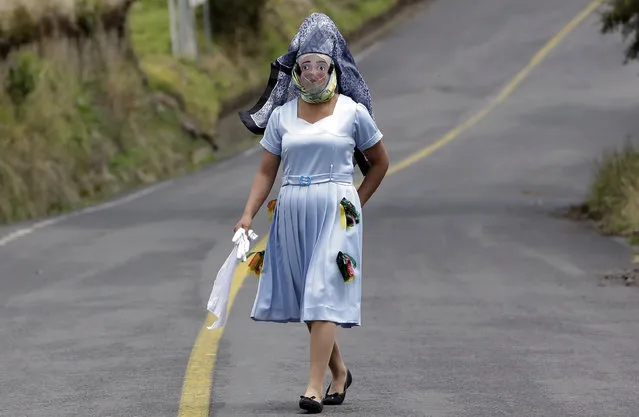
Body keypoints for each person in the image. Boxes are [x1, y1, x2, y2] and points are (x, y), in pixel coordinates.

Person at [234, 12, 389, 414]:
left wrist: (356, 202)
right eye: (306, 66)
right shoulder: (283, 117)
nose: (314, 73)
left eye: (321, 65)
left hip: (336, 212)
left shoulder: (353, 112)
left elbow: (379, 163)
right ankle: (339, 371)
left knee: (322, 290)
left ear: (333, 66)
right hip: (291, 212)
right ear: (296, 70)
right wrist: (247, 215)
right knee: (310, 297)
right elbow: (266, 171)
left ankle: (314, 387)